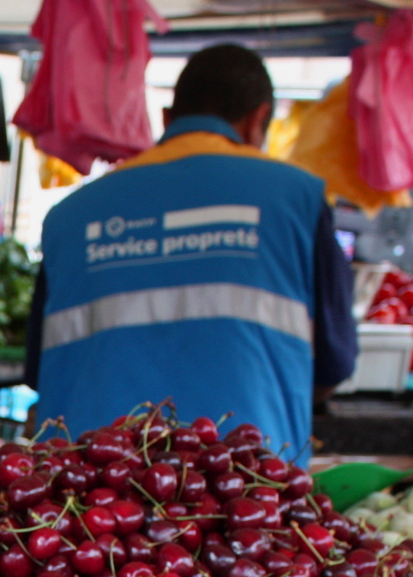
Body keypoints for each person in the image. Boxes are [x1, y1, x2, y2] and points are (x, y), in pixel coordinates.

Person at [24, 43, 357, 465]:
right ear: (258, 120)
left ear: (167, 119)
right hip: (244, 494)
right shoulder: (298, 198)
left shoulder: (68, 217)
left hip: (88, 496)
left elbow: (40, 370)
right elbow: (334, 363)